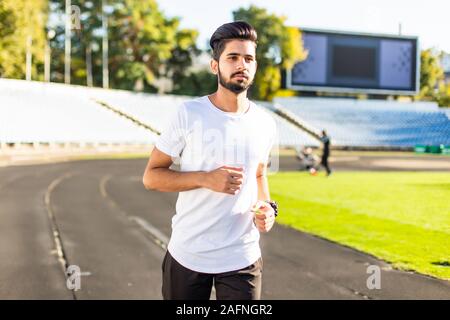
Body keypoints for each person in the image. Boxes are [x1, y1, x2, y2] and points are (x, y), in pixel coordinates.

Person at [142, 21, 278, 300]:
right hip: (189, 253)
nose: (242, 65)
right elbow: (152, 176)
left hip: (242, 256)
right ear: (215, 65)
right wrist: (205, 178)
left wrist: (268, 207)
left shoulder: (266, 123)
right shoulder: (189, 113)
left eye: (249, 58)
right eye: (233, 57)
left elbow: (260, 174)